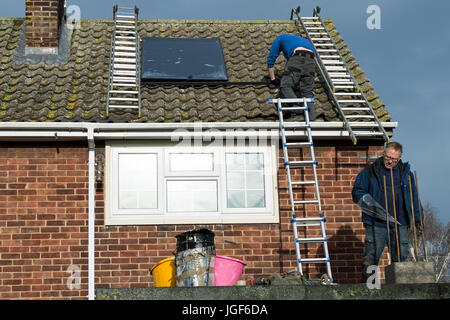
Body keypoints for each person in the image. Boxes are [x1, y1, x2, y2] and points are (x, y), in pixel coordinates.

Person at [352, 141, 422, 282]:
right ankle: (370, 289)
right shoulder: (371, 171)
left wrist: (418, 217)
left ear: (399, 158)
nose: (390, 161)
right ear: (383, 153)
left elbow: (413, 197)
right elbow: (357, 191)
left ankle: (401, 290)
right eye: (387, 157)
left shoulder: (406, 174)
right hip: (376, 223)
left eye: (394, 159)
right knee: (371, 258)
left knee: (402, 258)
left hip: (400, 223)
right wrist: (370, 205)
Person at [267, 33, 317, 120]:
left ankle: (297, 108)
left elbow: (270, 60)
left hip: (297, 56)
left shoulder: (280, 38)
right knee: (307, 92)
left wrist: (273, 79)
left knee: (285, 85)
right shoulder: (302, 40)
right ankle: (312, 119)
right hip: (312, 60)